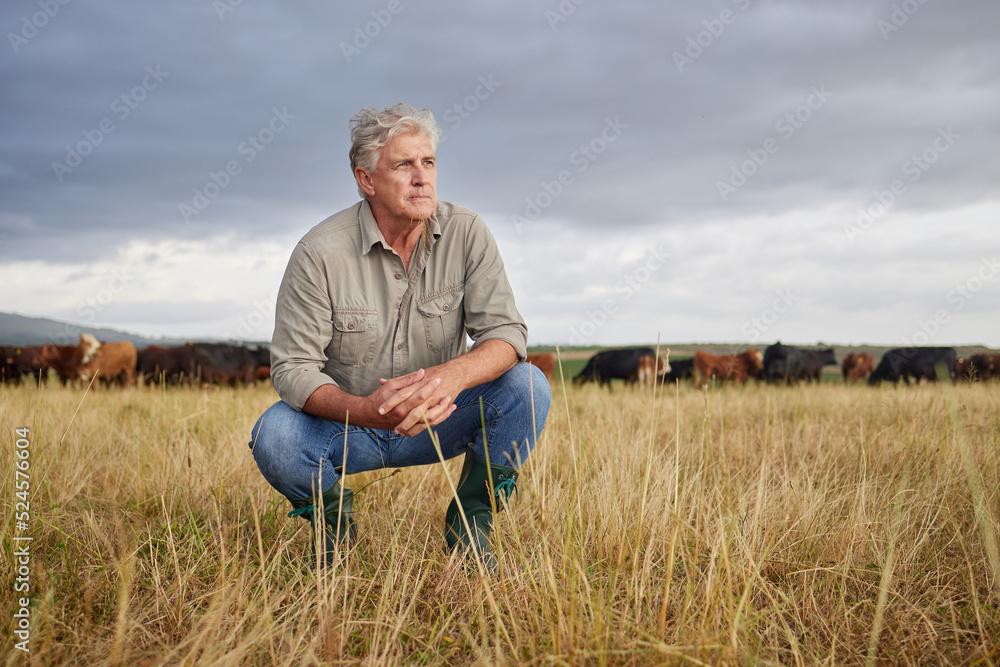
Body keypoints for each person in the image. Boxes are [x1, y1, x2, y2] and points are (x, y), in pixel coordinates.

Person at [248, 103, 550, 570]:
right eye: (404, 165)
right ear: (366, 180)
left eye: (428, 162)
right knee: (276, 436)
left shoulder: (468, 232)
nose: (422, 177)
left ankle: (471, 527)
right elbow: (292, 369)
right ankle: (335, 531)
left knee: (529, 388)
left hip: (440, 415)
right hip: (350, 427)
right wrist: (368, 411)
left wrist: (452, 377)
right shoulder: (318, 252)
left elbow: (506, 334)